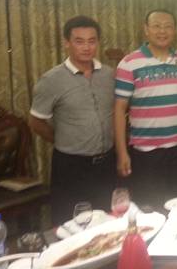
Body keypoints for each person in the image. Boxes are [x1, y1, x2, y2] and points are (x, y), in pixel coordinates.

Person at [29, 15, 116, 225]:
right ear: (67, 43)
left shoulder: (110, 75)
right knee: (71, 224)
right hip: (71, 166)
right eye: (79, 41)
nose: (86, 47)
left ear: (98, 42)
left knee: (107, 222)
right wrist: (63, 139)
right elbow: (36, 122)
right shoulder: (51, 80)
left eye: (92, 41)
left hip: (107, 163)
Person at [114, 9, 177, 209]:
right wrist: (122, 153)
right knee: (150, 210)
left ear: (175, 30)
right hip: (146, 152)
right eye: (157, 26)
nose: (162, 31)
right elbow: (119, 109)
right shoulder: (129, 63)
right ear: (146, 30)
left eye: (168, 26)